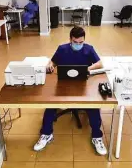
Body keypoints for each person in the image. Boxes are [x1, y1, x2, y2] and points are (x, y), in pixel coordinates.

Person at [33, 26, 107, 156]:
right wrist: (49, 65)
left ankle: (97, 137)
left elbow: (100, 64)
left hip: (83, 85)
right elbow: (52, 62)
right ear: (70, 39)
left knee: (94, 106)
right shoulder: (62, 49)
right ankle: (46, 134)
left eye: (81, 42)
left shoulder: (89, 49)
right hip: (63, 85)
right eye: (75, 42)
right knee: (50, 105)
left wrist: (89, 68)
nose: (78, 45)